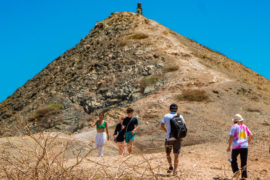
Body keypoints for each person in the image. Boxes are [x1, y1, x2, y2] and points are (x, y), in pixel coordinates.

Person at [161, 103, 186, 176]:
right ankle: (175, 171)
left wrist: (166, 131)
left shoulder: (166, 116)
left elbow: (162, 125)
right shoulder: (180, 116)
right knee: (176, 155)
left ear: (169, 109)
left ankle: (170, 166)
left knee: (168, 153)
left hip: (169, 138)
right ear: (176, 110)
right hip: (178, 138)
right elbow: (184, 126)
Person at [227, 114, 253, 179]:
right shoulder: (244, 126)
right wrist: (247, 143)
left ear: (234, 121)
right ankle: (244, 177)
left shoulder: (234, 126)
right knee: (244, 162)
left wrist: (229, 146)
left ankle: (236, 171)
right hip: (245, 146)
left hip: (236, 146)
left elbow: (231, 137)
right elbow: (251, 135)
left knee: (233, 159)